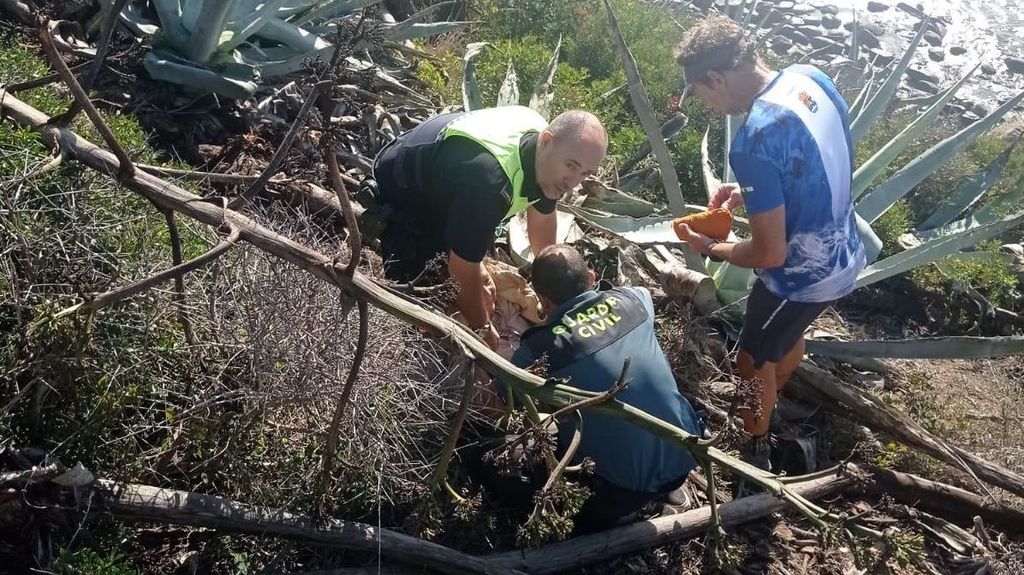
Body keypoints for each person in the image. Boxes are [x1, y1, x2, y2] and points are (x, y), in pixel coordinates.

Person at [673, 15, 866, 471]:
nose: (708, 105)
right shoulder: (808, 78)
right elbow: (815, 158)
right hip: (847, 253)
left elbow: (768, 254)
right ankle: (771, 394)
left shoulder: (754, 137)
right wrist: (756, 195)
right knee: (784, 337)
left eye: (701, 94)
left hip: (802, 277)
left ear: (716, 78)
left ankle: (751, 445)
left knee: (749, 358)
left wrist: (710, 247)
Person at [370, 106, 607, 349]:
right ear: (546, 141)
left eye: (585, 173)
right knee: (424, 313)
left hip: (452, 184)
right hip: (404, 191)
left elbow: (543, 220)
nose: (573, 182)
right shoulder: (489, 183)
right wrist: (483, 331)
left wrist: (556, 291)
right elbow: (461, 269)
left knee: (474, 279)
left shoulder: (547, 160)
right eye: (571, 166)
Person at [508, 245, 702, 532]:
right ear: (591, 276)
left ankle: (625, 512)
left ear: (543, 301)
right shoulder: (633, 300)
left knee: (506, 460)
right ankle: (664, 488)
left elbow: (505, 393)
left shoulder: (538, 346)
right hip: (685, 454)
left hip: (619, 491)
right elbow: (643, 294)